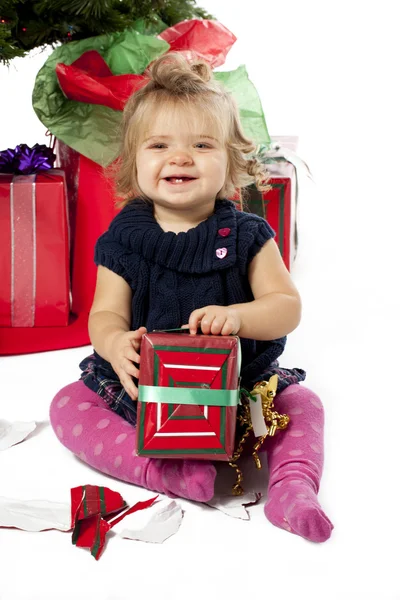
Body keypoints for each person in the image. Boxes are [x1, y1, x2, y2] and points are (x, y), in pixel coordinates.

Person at [50, 52, 333, 543]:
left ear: (232, 162)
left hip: (240, 389)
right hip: (151, 395)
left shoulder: (248, 235)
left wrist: (238, 316)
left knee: (303, 404)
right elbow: (105, 313)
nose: (179, 157)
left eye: (201, 145)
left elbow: (286, 307)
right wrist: (115, 345)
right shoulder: (124, 237)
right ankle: (168, 470)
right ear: (132, 162)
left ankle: (292, 486)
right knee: (67, 405)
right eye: (159, 145)